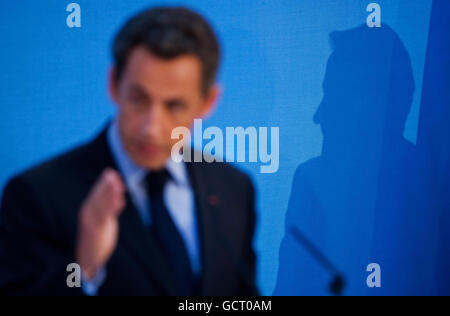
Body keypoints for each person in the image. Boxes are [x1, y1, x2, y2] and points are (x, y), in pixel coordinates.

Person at [0, 7, 258, 296]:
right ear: (114, 85)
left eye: (174, 106)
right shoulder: (37, 195)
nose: (151, 128)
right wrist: (84, 269)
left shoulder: (233, 188)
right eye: (139, 99)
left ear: (208, 103)